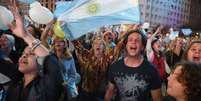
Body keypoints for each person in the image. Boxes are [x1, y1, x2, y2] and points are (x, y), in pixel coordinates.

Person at [5, 1, 64, 101]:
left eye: (31, 53)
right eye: (23, 54)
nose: (24, 56)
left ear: (41, 63)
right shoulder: (15, 83)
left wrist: (25, 35)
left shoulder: (47, 88)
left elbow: (51, 62)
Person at [104, 29, 162, 101]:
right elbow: (109, 92)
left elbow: (157, 99)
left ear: (142, 47)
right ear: (126, 45)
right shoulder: (115, 67)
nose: (133, 42)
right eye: (130, 40)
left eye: (137, 40)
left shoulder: (152, 70)